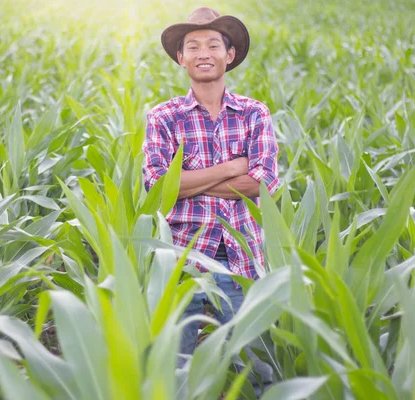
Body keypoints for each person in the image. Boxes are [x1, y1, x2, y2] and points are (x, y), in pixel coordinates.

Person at [142, 6, 279, 385]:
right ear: (181, 58)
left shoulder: (254, 114)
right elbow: (158, 187)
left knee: (260, 368)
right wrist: (233, 168)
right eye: (194, 46)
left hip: (240, 258)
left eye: (214, 44)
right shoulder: (164, 117)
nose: (204, 53)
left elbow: (263, 184)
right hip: (180, 259)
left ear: (229, 55)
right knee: (174, 372)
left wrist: (187, 179)